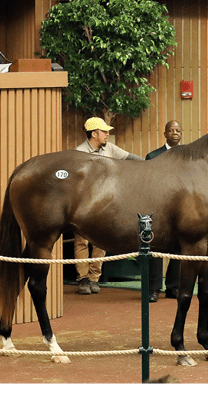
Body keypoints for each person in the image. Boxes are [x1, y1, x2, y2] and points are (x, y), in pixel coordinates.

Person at [74, 117, 143, 295]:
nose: (108, 134)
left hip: (105, 205)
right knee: (82, 241)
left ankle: (94, 279)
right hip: (83, 205)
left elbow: (130, 158)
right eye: (104, 131)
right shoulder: (79, 153)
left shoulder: (110, 148)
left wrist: (149, 163)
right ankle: (82, 279)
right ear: (94, 134)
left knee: (100, 242)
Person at [145, 120, 183, 302]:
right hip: (158, 209)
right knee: (156, 248)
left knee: (179, 248)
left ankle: (173, 287)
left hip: (181, 209)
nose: (175, 133)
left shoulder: (189, 156)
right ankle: (153, 289)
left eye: (178, 130)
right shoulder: (153, 156)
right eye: (172, 130)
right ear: (165, 134)